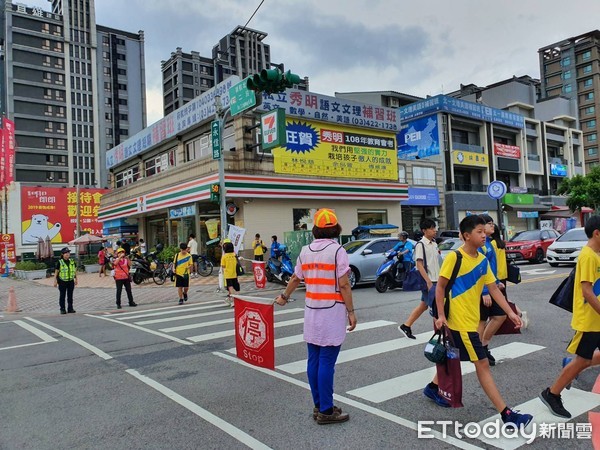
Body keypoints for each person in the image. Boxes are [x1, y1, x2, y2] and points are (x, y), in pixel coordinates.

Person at [428, 214, 531, 428]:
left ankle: (432, 387)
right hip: (460, 324)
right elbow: (440, 287)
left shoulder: (482, 260)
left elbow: (493, 288)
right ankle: (507, 414)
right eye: (479, 232)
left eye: (485, 231)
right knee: (482, 364)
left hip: (470, 322)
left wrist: (511, 313)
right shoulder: (454, 258)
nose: (484, 235)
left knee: (453, 357)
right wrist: (441, 316)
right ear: (466, 236)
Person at [275, 208, 357, 425]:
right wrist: (351, 312)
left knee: (313, 359)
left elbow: (294, 278)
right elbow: (344, 284)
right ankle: (327, 411)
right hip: (332, 312)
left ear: (316, 230)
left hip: (312, 311)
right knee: (327, 361)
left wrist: (284, 296)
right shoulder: (338, 251)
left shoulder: (305, 251)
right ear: (336, 229)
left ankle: (319, 405)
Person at [540, 215, 600, 419]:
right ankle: (552, 393)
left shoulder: (596, 254)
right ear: (597, 233)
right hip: (590, 320)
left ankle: (570, 365)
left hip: (596, 319)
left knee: (582, 360)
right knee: (582, 360)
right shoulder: (588, 256)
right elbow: (587, 292)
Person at [398, 219, 439, 339]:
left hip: (436, 279)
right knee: (437, 308)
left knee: (424, 305)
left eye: (434, 228)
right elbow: (419, 264)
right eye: (432, 228)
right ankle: (441, 335)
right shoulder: (420, 245)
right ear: (424, 230)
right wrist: (428, 281)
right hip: (429, 281)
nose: (435, 230)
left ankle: (406, 326)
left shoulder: (434, 244)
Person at [476, 214, 506, 366]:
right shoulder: (480, 246)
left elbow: (491, 267)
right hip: (483, 290)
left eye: (492, 223)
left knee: (500, 316)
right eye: (489, 223)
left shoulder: (489, 243)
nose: (492, 225)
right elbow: (479, 270)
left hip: (492, 285)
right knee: (481, 320)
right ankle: (480, 352)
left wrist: (496, 282)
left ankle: (483, 345)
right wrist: (485, 292)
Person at [54, 247, 77, 314]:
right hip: (62, 281)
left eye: (68, 253)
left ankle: (70, 308)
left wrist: (76, 279)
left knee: (70, 295)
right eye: (65, 253)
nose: (67, 254)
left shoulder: (72, 261)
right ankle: (62, 309)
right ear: (62, 254)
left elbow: (74, 271)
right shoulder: (60, 262)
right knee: (62, 295)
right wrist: (55, 281)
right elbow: (56, 272)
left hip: (70, 281)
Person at [221, 241, 239, 306]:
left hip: (228, 274)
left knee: (230, 287)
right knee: (236, 287)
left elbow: (223, 266)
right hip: (234, 273)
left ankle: (233, 301)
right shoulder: (234, 255)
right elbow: (237, 263)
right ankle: (237, 299)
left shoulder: (224, 256)